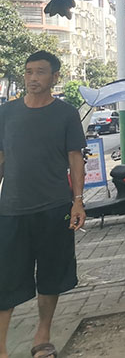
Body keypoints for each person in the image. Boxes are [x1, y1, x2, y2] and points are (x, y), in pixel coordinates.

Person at [0, 51, 87, 358]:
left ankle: (42, 336)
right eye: (28, 72)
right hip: (11, 210)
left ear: (54, 77)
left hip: (54, 206)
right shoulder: (6, 113)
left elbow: (75, 158)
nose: (33, 78)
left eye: (40, 72)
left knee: (51, 276)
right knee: (5, 278)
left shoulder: (66, 114)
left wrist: (78, 202)